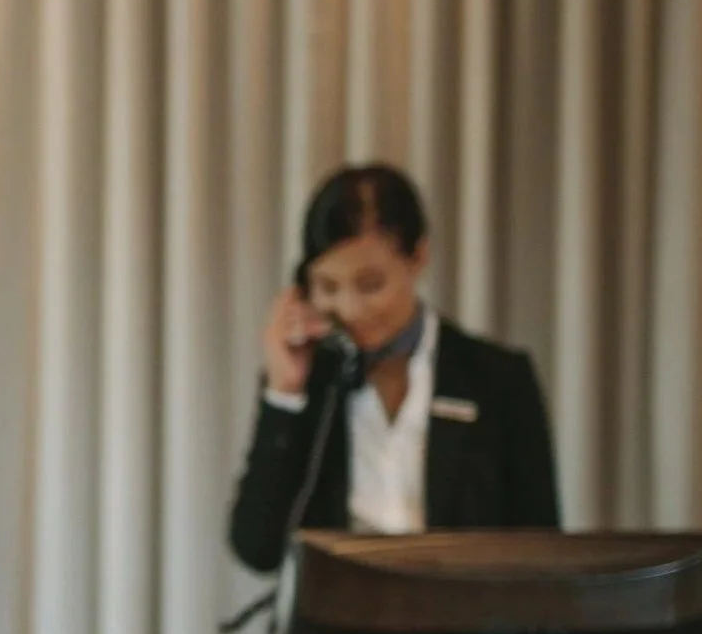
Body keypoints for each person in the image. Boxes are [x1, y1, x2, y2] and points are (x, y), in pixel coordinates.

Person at [226, 164, 561, 577]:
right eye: (328, 287)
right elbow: (257, 550)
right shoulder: (310, 380)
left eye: (370, 285)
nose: (351, 310)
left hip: (463, 629)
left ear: (418, 256)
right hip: (332, 632)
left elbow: (542, 553)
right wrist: (285, 394)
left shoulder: (498, 379)